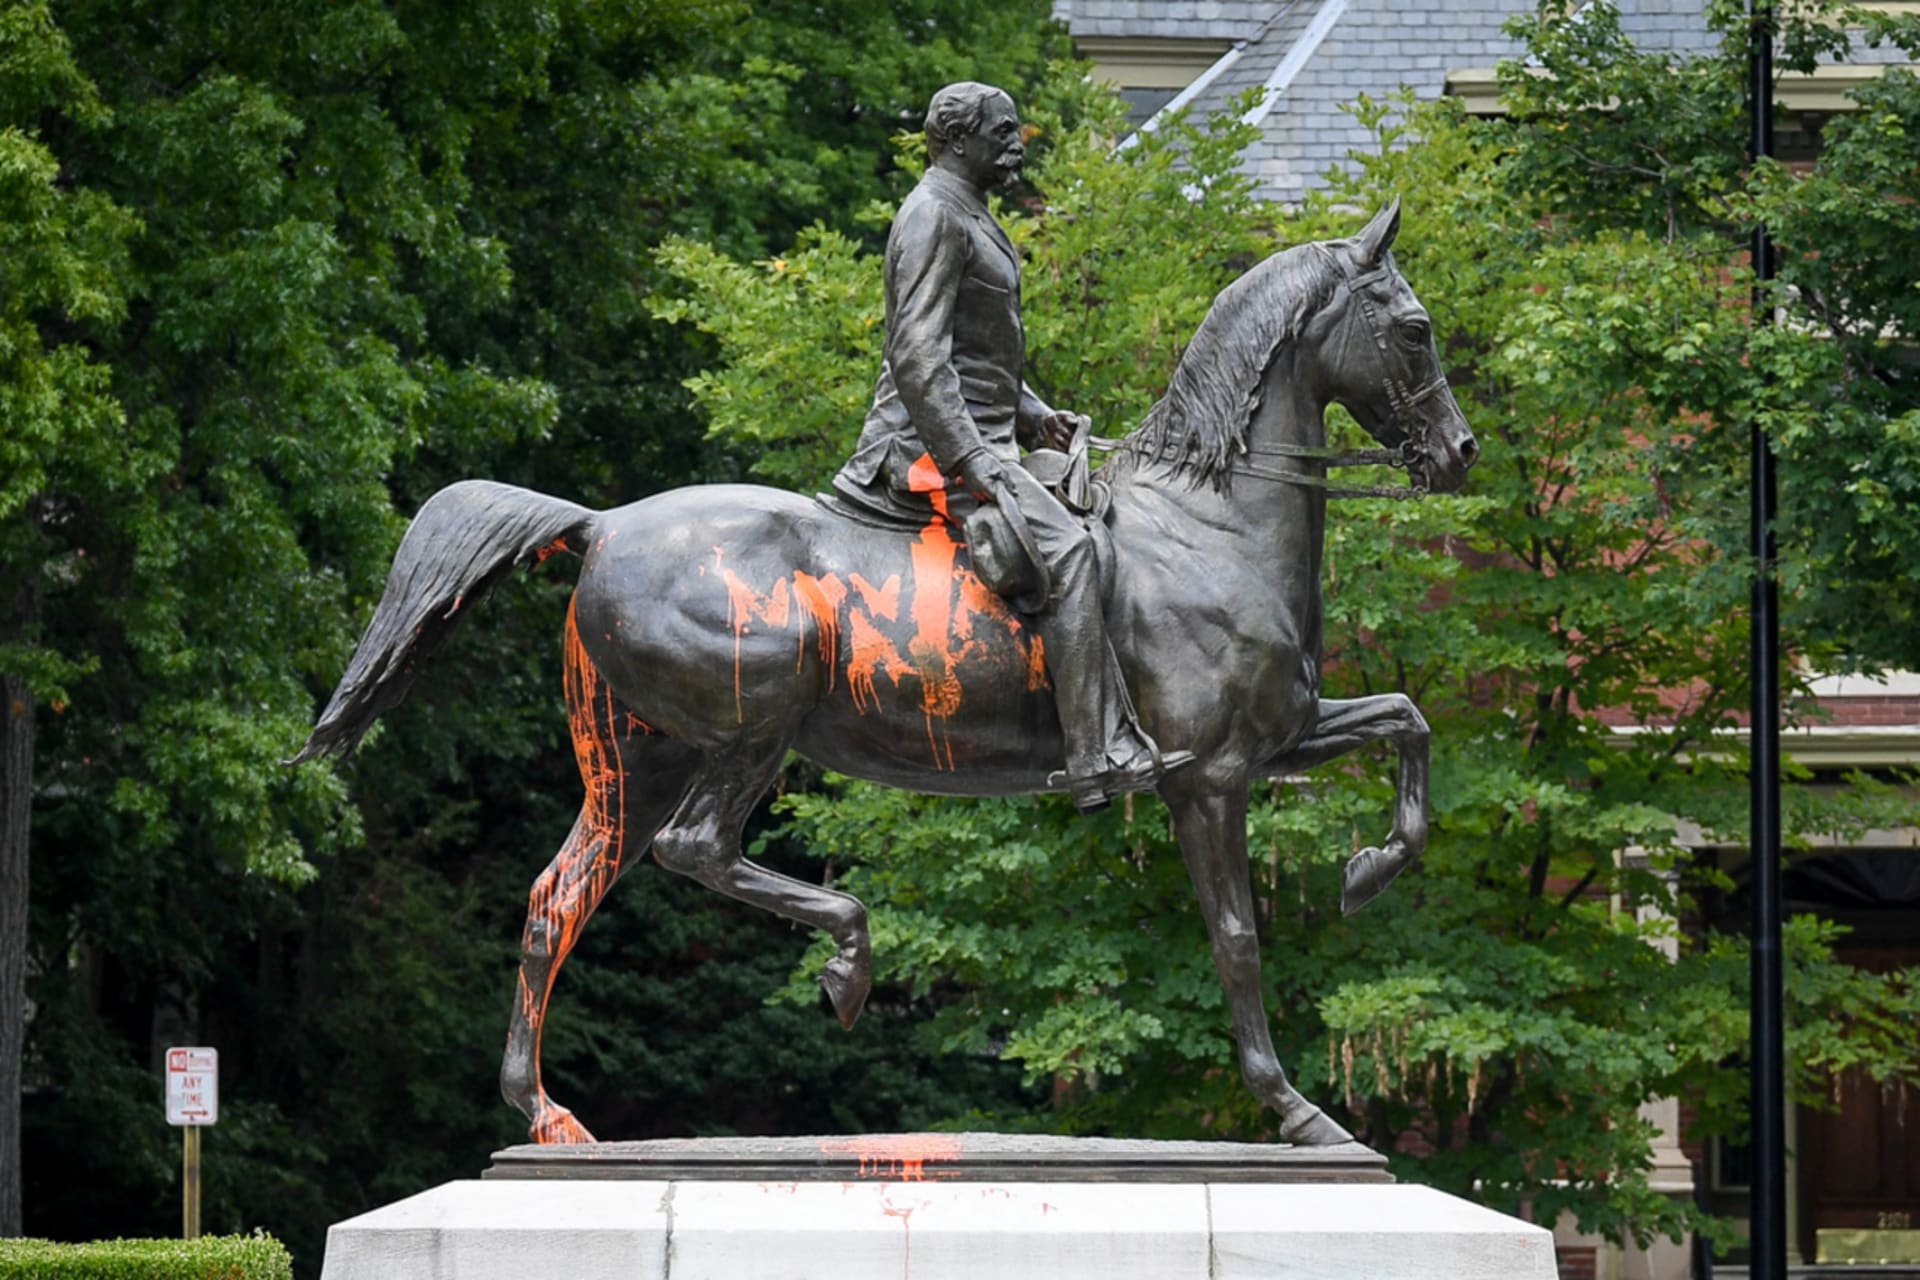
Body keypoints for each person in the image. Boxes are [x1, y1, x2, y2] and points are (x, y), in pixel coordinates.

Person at [830, 81, 1190, 812]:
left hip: (984, 435)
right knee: (1070, 550)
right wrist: (974, 460)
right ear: (959, 141)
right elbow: (919, 357)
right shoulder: (933, 214)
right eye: (1002, 132)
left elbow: (973, 351)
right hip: (924, 448)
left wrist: (1032, 415)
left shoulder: (971, 212)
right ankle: (1096, 755)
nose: (1014, 144)